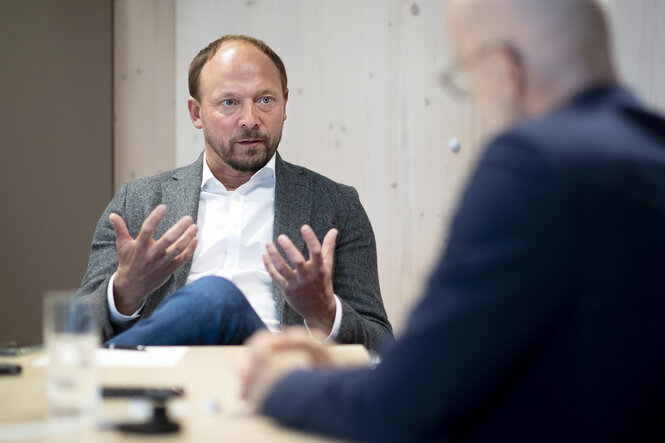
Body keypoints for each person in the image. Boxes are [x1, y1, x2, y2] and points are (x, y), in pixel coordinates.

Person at [238, 0, 665, 441]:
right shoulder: (648, 151)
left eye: (467, 77)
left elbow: (400, 408)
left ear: (505, 69)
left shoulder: (537, 163)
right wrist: (334, 371)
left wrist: (278, 385)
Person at [77, 34, 393, 351]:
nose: (250, 120)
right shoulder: (138, 203)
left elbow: (381, 345)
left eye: (265, 100)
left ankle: (107, 368)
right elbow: (76, 328)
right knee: (212, 298)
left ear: (285, 104)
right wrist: (124, 292)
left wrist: (326, 313)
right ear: (196, 113)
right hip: (168, 377)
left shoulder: (337, 206)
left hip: (276, 376)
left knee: (216, 297)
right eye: (229, 103)